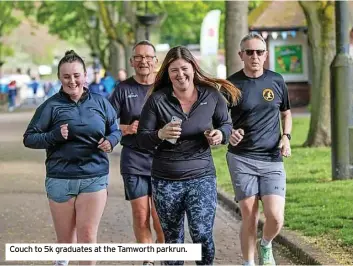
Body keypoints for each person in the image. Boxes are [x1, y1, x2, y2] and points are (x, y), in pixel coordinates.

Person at [136, 45, 241, 265]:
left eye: (184, 68)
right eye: (174, 70)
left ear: (193, 68)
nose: (180, 74)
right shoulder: (157, 100)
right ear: (167, 73)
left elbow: (226, 124)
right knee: (173, 240)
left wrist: (219, 135)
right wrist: (160, 134)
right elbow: (142, 139)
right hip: (166, 179)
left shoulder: (211, 95)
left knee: (202, 233)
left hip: (201, 176)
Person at [23, 50, 121, 266]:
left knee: (87, 238)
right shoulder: (50, 106)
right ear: (60, 78)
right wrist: (53, 136)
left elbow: (115, 130)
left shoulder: (101, 102)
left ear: (85, 75)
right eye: (66, 76)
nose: (72, 81)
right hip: (60, 178)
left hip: (93, 176)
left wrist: (111, 140)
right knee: (66, 242)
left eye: (76, 75)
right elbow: (29, 138)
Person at [226, 33, 292, 266]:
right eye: (250, 52)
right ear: (241, 55)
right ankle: (249, 263)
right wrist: (229, 132)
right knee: (250, 216)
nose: (255, 56)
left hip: (272, 158)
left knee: (275, 216)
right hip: (241, 158)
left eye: (259, 52)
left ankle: (266, 244)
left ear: (266, 55)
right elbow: (220, 120)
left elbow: (286, 112)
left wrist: (286, 137)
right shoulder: (231, 85)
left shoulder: (276, 80)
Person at [109, 40, 164, 264]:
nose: (143, 61)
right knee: (141, 215)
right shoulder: (123, 89)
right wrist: (126, 128)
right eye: (138, 57)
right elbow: (106, 121)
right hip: (134, 159)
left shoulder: (164, 87)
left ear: (155, 61)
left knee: (160, 217)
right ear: (132, 62)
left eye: (148, 57)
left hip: (163, 159)